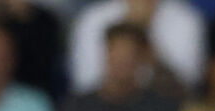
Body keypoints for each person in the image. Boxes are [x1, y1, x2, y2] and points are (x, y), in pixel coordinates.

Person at [70, 0, 207, 96]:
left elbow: (189, 87)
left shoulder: (186, 20)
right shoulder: (93, 19)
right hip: (105, 108)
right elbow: (85, 83)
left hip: (165, 109)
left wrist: (143, 32)